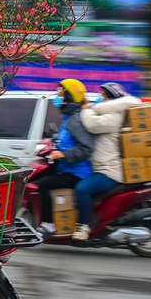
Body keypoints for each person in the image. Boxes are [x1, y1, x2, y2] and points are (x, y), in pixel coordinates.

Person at [74, 82, 143, 240]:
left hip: (110, 171)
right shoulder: (110, 112)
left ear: (110, 97)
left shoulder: (114, 116)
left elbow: (93, 125)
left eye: (103, 95)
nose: (100, 97)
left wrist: (86, 110)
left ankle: (82, 227)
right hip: (103, 167)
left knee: (82, 189)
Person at [34, 79, 95, 238]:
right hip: (66, 167)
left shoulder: (75, 120)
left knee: (44, 185)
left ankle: (48, 224)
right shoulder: (69, 117)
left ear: (69, 97)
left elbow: (87, 147)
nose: (57, 97)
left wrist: (63, 154)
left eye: (60, 94)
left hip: (78, 172)